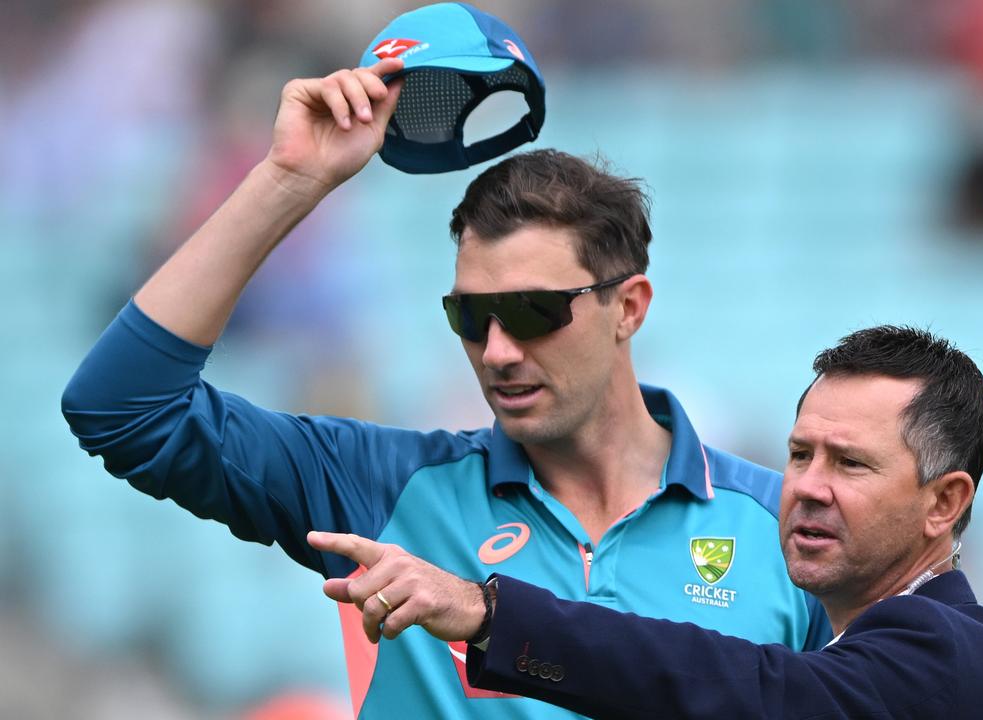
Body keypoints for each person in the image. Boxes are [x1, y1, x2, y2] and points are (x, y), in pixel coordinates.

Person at [60, 57, 828, 719]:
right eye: (470, 317)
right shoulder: (381, 488)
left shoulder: (788, 532)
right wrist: (289, 181)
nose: (496, 351)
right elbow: (123, 408)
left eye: (531, 312)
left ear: (628, 308)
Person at [307, 325, 983, 719]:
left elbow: (745, 690)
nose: (808, 487)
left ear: (943, 503)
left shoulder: (950, 650)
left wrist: (488, 612)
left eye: (850, 464)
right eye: (799, 454)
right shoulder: (866, 652)